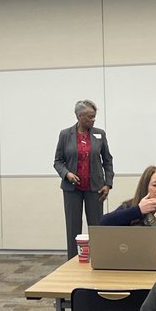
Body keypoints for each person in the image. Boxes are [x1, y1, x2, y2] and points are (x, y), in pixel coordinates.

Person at [53, 100, 114, 259]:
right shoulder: (65, 135)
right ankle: (72, 261)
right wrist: (67, 174)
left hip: (95, 188)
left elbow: (107, 160)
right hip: (72, 189)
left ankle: (99, 258)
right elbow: (58, 161)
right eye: (90, 117)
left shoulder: (99, 134)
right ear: (80, 116)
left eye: (94, 116)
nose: (94, 120)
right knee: (73, 227)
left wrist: (108, 184)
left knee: (96, 226)